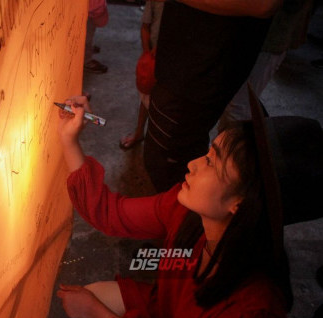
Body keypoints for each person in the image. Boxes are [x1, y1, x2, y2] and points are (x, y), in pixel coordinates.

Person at [55, 95, 323, 318]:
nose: (193, 163)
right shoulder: (186, 210)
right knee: (91, 300)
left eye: (211, 162)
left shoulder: (252, 313)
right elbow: (110, 214)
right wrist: (69, 140)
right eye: (207, 153)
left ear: (241, 203)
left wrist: (102, 317)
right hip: (171, 314)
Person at [143, 0, 282, 192]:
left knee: (170, 166)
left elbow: (263, 4)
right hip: (188, 67)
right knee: (170, 159)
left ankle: (184, 218)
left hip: (199, 73)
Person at [218, 0, 315, 130]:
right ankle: (230, 145)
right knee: (235, 103)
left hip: (268, 38)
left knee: (238, 105)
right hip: (245, 32)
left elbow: (267, 7)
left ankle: (233, 147)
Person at [119, 0, 163, 150]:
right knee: (145, 95)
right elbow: (145, 26)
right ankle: (139, 132)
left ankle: (157, 140)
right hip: (153, 57)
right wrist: (147, 54)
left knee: (164, 103)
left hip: (173, 60)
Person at [84, 0, 109, 74]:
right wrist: (100, 10)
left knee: (88, 32)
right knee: (86, 37)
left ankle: (87, 51)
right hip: (89, 10)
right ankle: (86, 61)